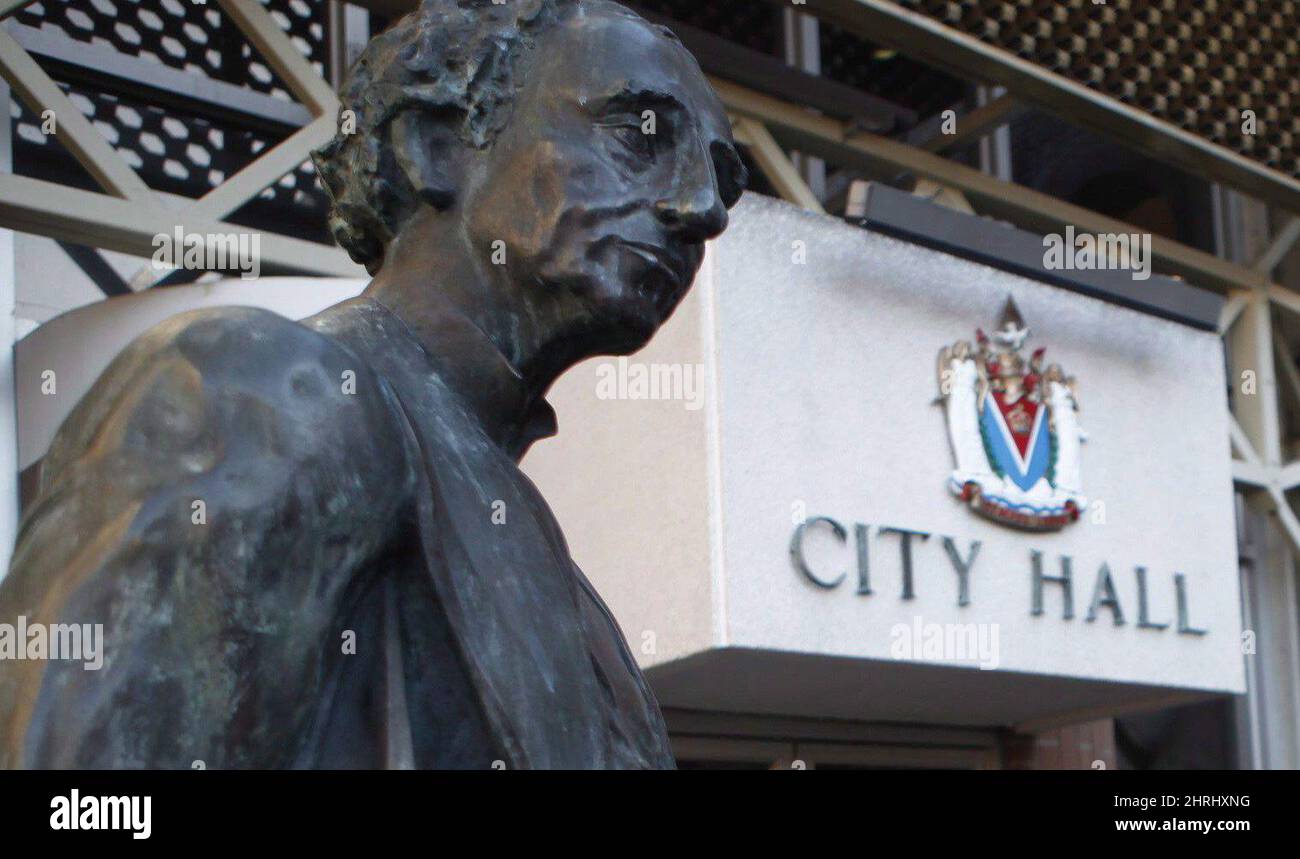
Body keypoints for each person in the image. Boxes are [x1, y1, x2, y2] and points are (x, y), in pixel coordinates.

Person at [0, 0, 745, 769]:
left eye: (725, 181)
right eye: (637, 134)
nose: (703, 211)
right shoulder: (272, 388)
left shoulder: (541, 548)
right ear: (433, 145)